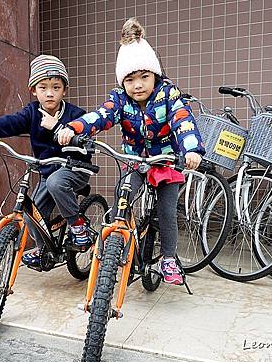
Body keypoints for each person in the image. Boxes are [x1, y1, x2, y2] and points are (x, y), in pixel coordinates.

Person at [57, 18, 205, 285]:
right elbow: (101, 116)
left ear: (155, 76)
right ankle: (115, 247)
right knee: (121, 202)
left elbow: (183, 120)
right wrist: (75, 128)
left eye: (144, 77)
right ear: (122, 81)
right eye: (130, 79)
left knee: (167, 211)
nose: (138, 85)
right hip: (134, 161)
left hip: (166, 161)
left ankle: (169, 258)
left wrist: (191, 150)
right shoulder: (119, 99)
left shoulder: (168, 94)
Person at [0, 55, 92, 269]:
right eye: (43, 87)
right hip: (47, 170)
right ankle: (45, 250)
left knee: (56, 183)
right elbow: (10, 122)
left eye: (56, 87)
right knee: (32, 212)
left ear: (64, 89)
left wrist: (60, 128)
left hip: (75, 168)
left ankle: (79, 228)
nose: (49, 93)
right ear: (33, 90)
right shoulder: (32, 112)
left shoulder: (75, 115)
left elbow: (87, 138)